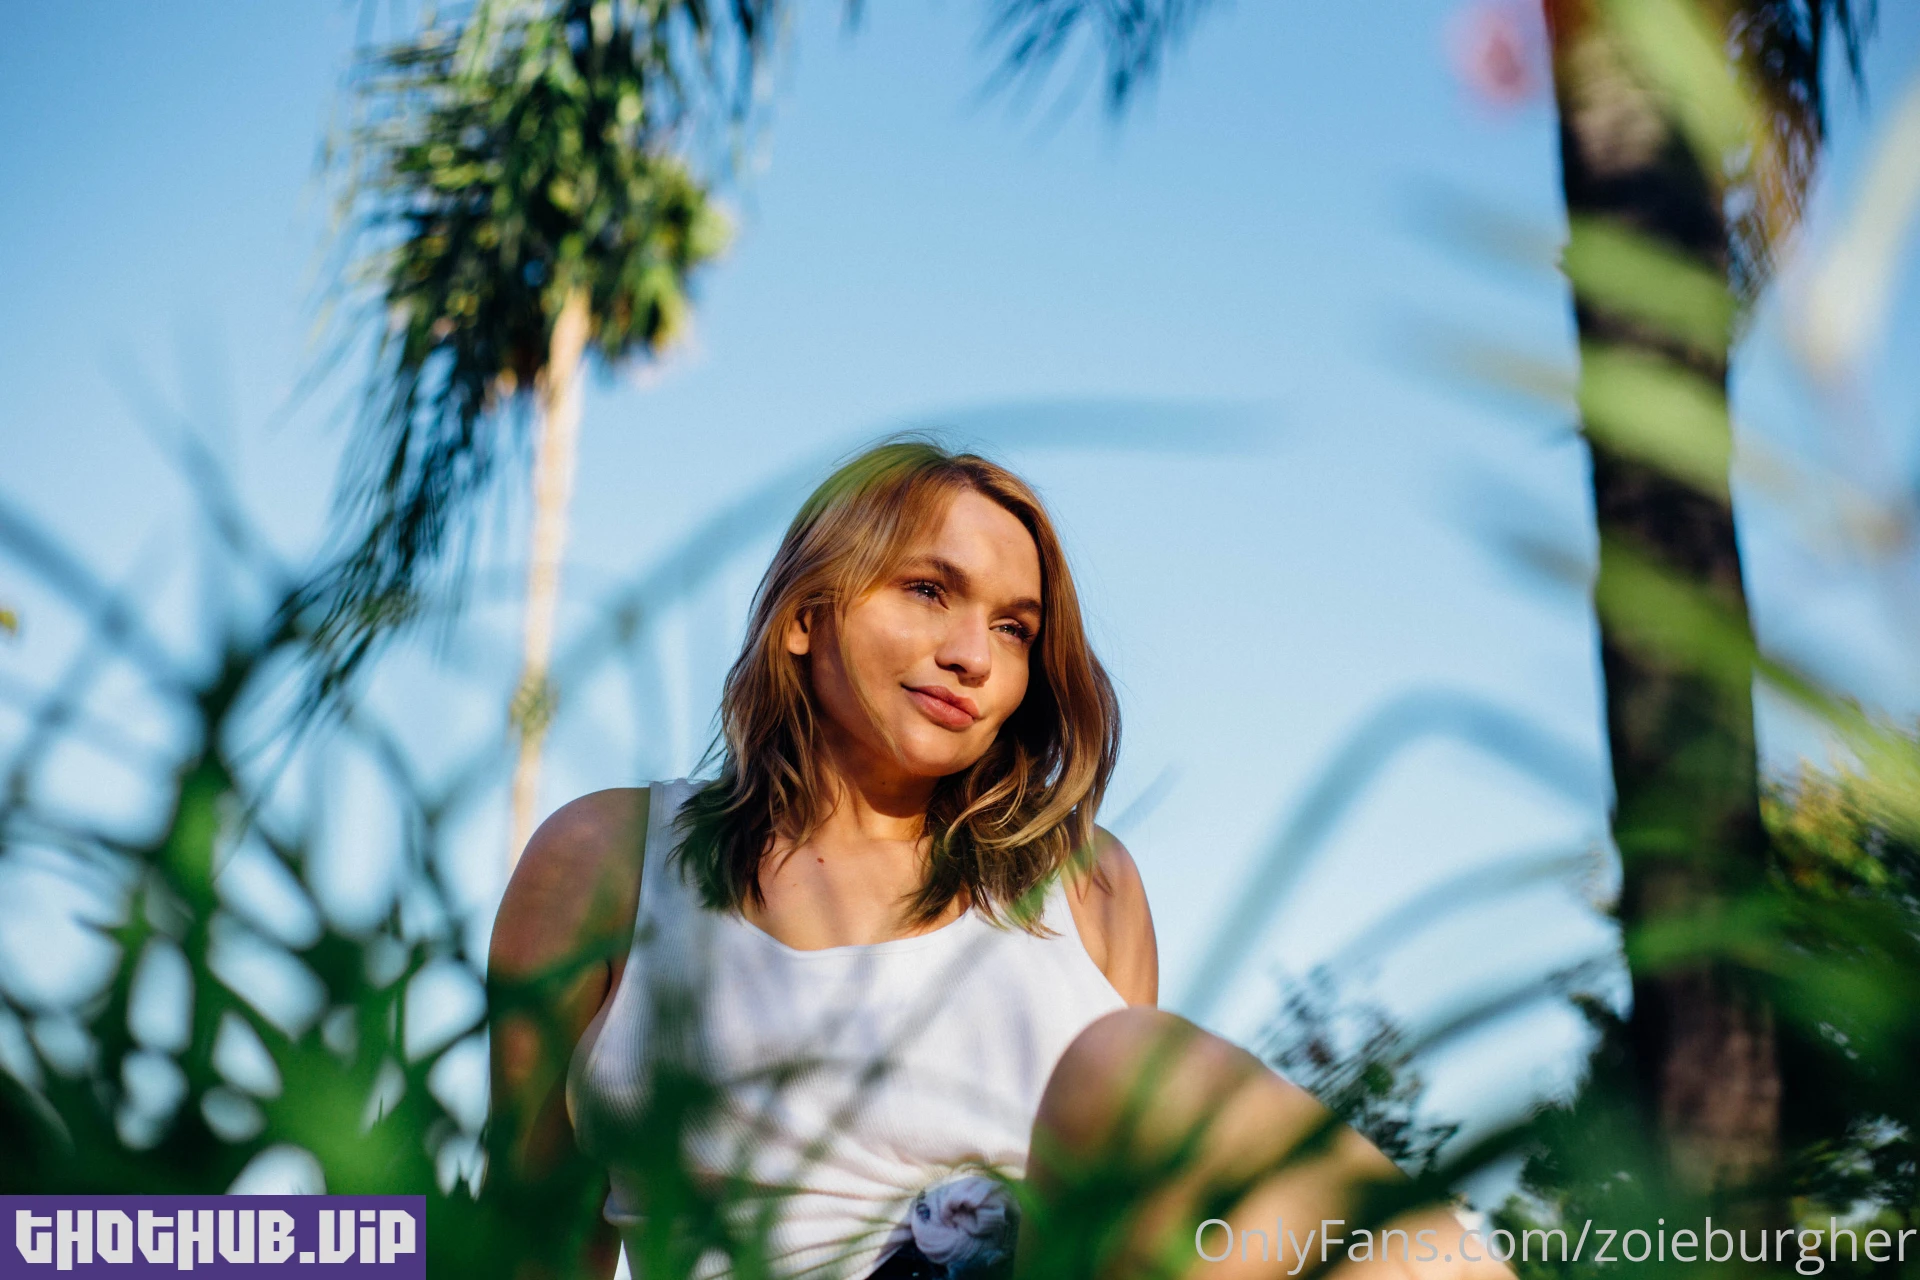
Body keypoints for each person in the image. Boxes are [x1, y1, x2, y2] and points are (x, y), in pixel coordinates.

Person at [488, 439, 1512, 1280]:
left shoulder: (1084, 885)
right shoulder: (611, 859)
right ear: (804, 617)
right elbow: (528, 1237)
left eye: (1014, 628)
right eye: (928, 589)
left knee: (1137, 1070)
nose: (973, 656)